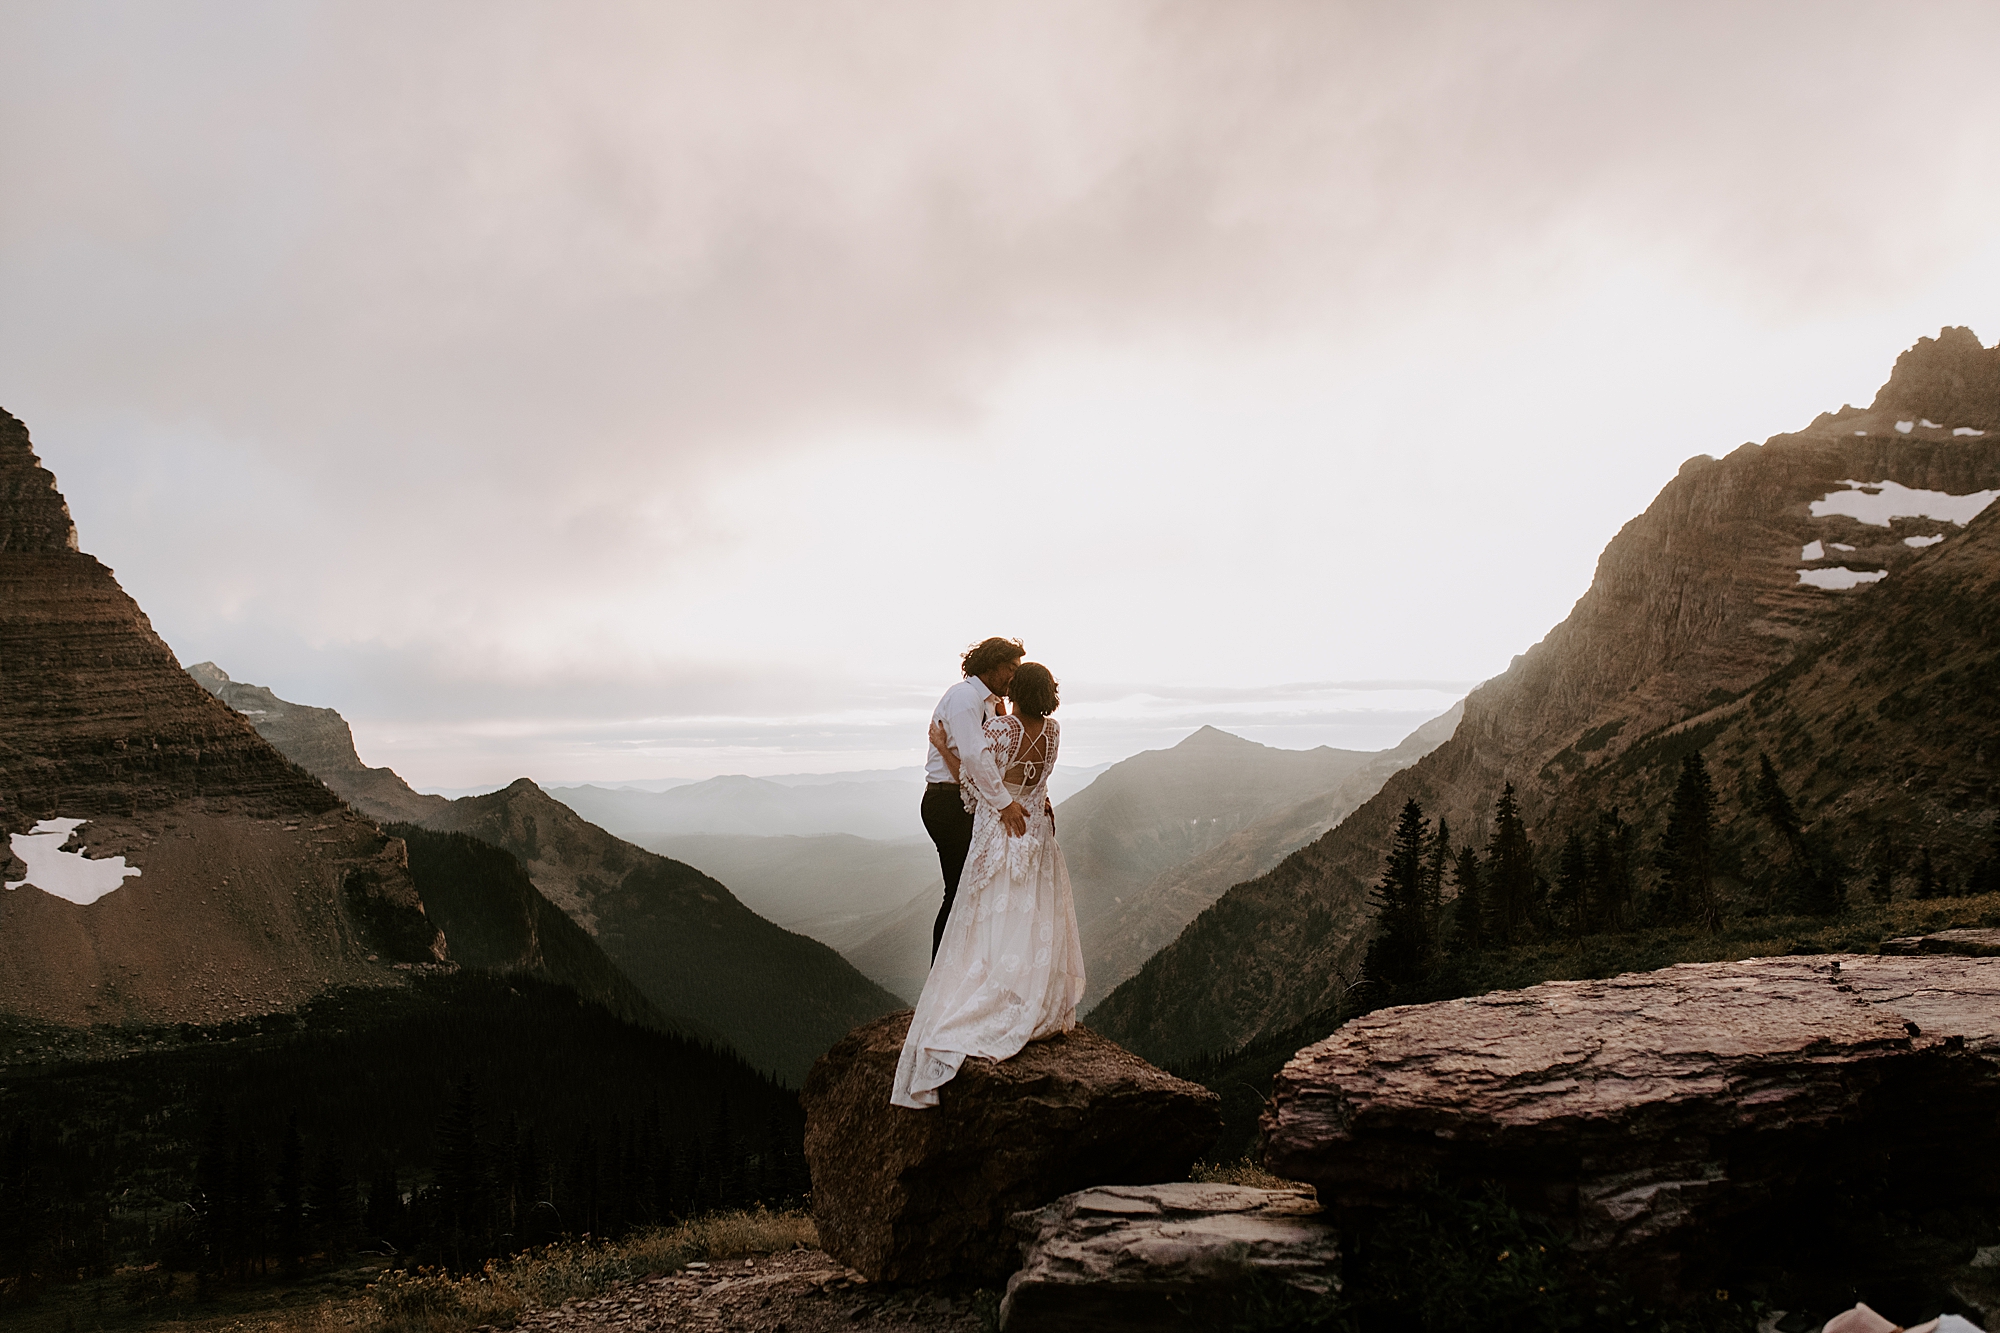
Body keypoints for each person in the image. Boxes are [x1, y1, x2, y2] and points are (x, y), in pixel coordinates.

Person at [891, 661, 1084, 1109]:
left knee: (988, 908)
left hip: (1002, 830)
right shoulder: (1054, 732)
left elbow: (977, 784)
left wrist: (943, 748)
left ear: (1016, 691)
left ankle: (989, 991)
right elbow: (1039, 782)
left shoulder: (1000, 730)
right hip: (1037, 833)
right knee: (1027, 911)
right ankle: (1023, 992)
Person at [921, 637, 1028, 961]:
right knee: (958, 891)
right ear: (991, 666)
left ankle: (964, 969)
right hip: (948, 802)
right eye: (1011, 668)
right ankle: (941, 973)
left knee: (973, 890)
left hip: (966, 800)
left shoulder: (989, 703)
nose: (1014, 677)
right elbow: (975, 756)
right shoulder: (965, 698)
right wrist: (1005, 804)